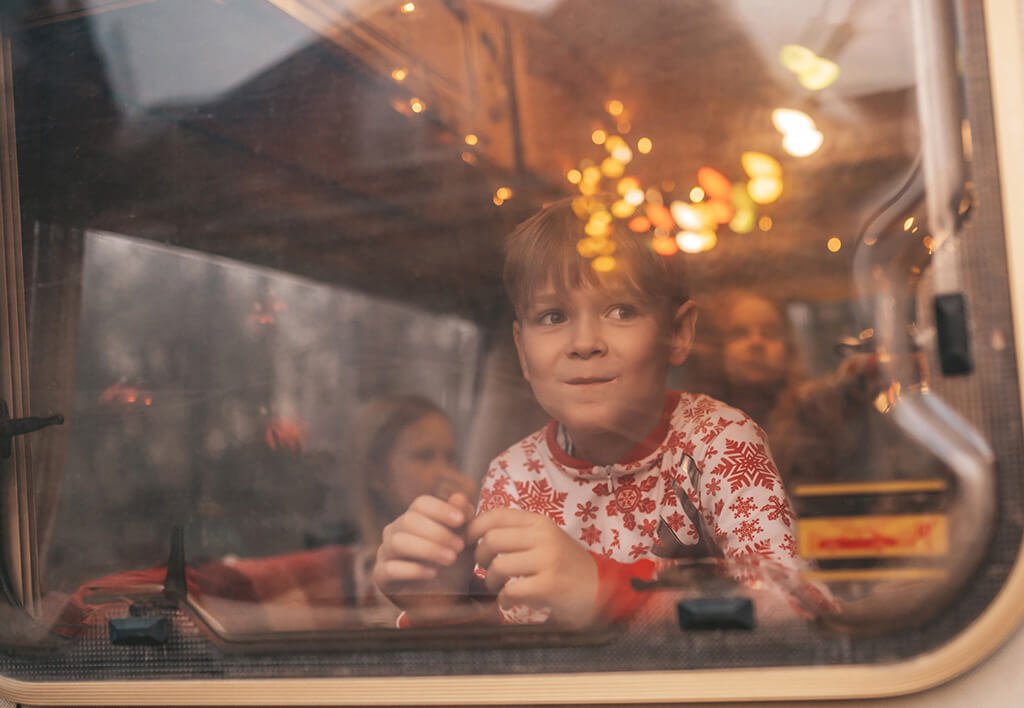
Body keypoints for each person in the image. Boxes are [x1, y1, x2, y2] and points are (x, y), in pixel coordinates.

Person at [374, 198, 831, 629]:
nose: (584, 342)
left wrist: (605, 593)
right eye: (553, 317)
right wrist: (446, 607)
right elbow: (508, 641)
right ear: (523, 351)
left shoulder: (718, 441)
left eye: (621, 310)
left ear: (677, 333)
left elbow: (795, 608)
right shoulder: (512, 476)